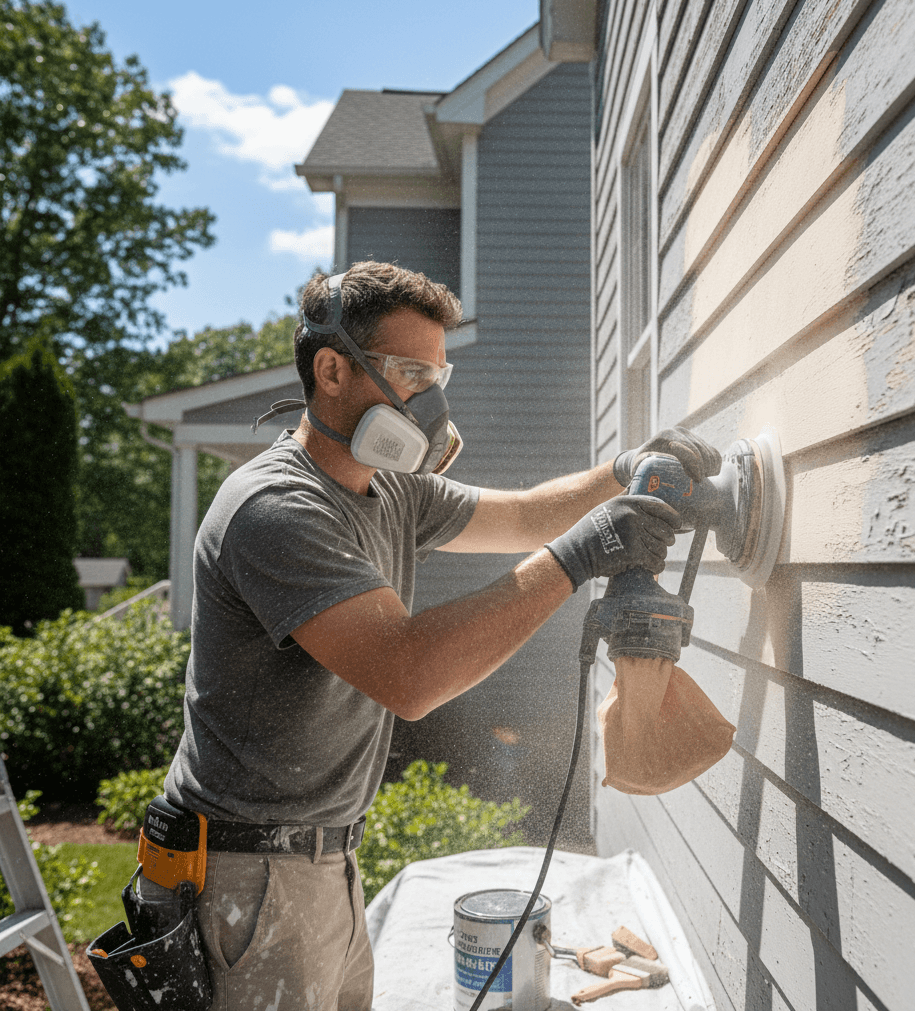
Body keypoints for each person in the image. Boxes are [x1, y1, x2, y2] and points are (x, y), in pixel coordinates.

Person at [150, 262, 721, 1011]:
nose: (431, 400)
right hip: (246, 874)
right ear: (332, 370)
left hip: (319, 862)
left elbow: (525, 514)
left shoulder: (389, 489)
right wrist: (580, 555)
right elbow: (409, 673)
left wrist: (625, 470)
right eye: (410, 373)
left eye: (437, 374)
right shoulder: (276, 507)